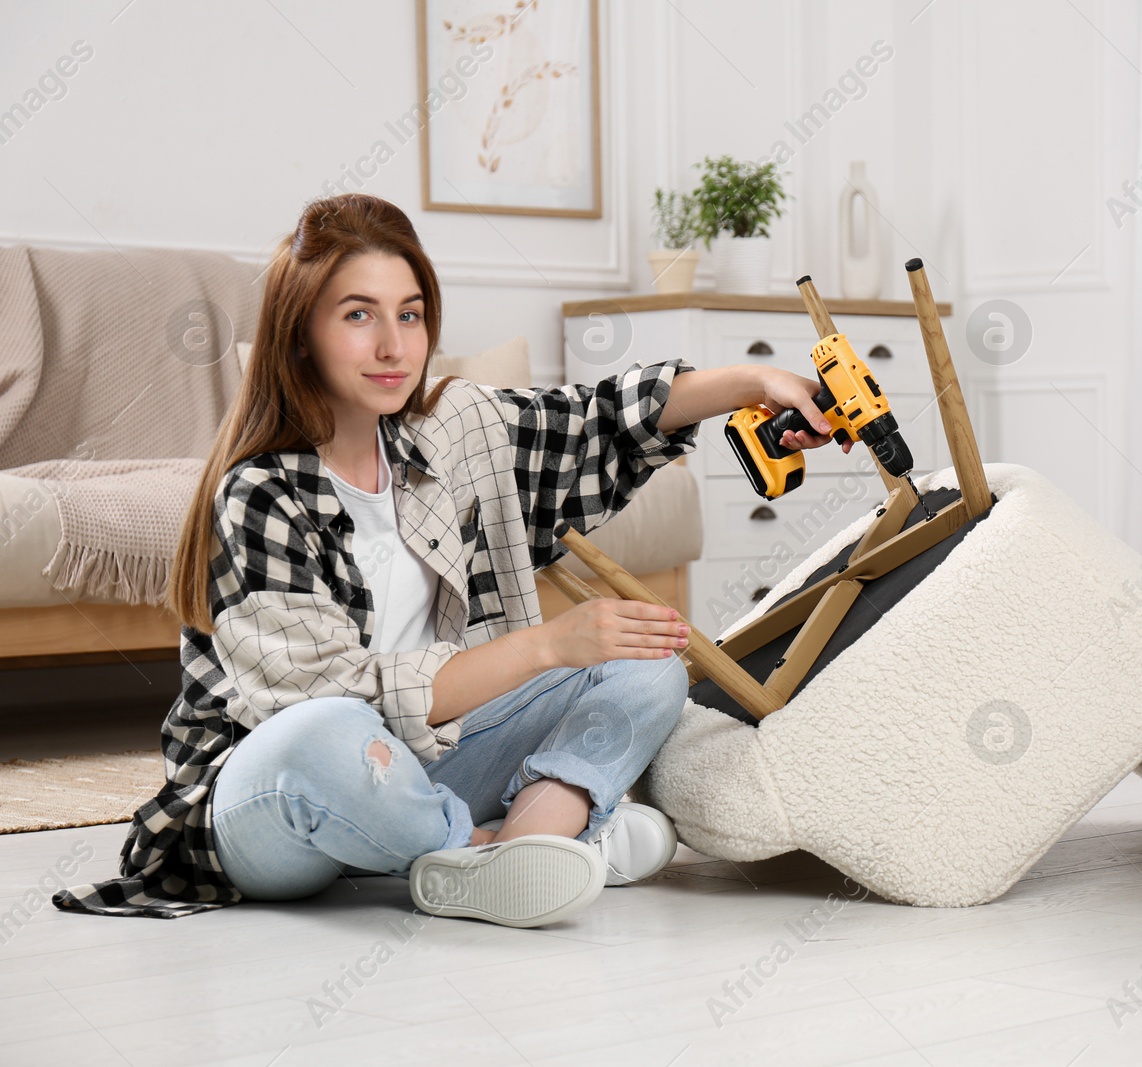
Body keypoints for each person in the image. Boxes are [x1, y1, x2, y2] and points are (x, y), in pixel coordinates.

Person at [52, 193, 844, 927]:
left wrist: (752, 381)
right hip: (282, 796)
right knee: (331, 731)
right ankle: (505, 840)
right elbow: (331, 700)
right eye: (358, 315)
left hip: (425, 762)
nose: (393, 345)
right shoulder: (259, 494)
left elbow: (597, 422)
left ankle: (521, 849)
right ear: (300, 331)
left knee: (653, 663)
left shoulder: (452, 429)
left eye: (411, 314)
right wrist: (545, 645)